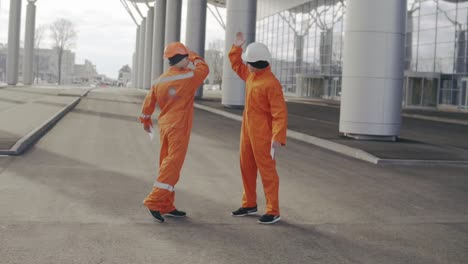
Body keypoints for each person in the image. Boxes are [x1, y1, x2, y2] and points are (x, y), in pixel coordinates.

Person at [139, 42, 209, 223]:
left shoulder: (159, 80)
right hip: (179, 126)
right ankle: (154, 201)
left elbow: (148, 103)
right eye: (186, 57)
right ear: (183, 57)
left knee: (166, 163)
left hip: (165, 125)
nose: (189, 60)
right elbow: (204, 68)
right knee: (172, 165)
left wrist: (146, 120)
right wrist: (193, 55)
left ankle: (166, 205)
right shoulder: (189, 76)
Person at [229, 32, 288, 224]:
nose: (245, 64)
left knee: (267, 171)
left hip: (263, 133)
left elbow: (280, 112)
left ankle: (273, 210)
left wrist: (277, 136)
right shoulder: (252, 75)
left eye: (248, 61)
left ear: (255, 63)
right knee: (246, 166)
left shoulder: (271, 84)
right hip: (247, 130)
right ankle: (249, 204)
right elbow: (236, 65)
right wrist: (236, 48)